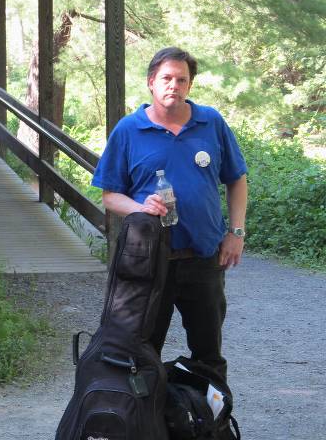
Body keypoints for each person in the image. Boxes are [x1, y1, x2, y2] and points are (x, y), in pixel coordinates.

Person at [91, 47, 248, 380]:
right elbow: (109, 196)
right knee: (141, 353)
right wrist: (140, 207)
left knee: (208, 354)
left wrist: (236, 233)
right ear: (151, 82)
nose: (173, 85)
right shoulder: (128, 130)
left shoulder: (211, 123)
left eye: (182, 79)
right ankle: (145, 424)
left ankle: (207, 426)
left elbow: (237, 179)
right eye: (166, 78)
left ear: (190, 85)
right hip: (148, 262)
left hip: (204, 258)